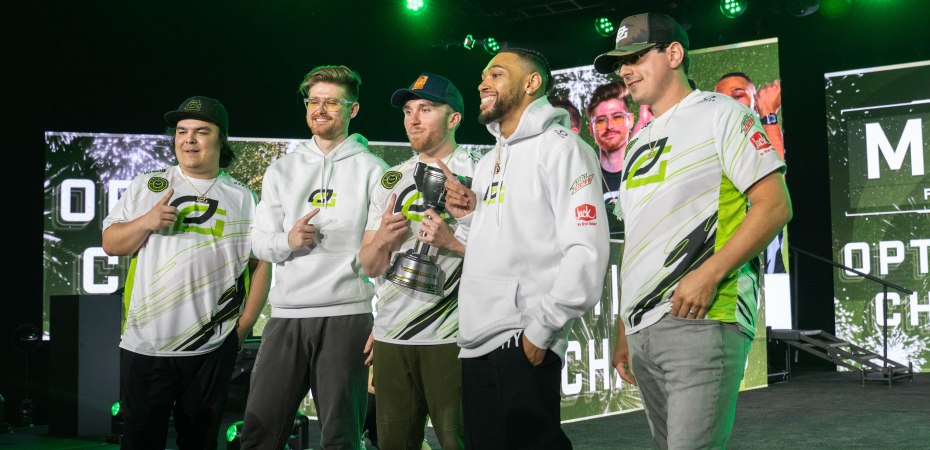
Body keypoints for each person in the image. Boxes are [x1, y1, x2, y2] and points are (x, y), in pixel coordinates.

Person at [593, 12, 791, 449]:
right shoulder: (639, 141)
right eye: (619, 62)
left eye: (636, 56)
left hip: (704, 317)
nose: (625, 70)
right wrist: (624, 325)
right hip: (644, 329)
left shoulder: (720, 113)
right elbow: (638, 238)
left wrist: (709, 273)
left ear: (674, 54)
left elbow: (775, 205)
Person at [441, 48, 609, 449]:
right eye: (483, 75)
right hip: (476, 340)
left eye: (496, 74)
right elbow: (494, 242)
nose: (483, 82)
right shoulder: (488, 161)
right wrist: (468, 217)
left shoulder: (563, 148)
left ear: (532, 83)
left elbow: (586, 250)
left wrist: (541, 331)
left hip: (523, 337)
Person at [102, 96, 271, 450]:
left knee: (200, 442)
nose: (189, 139)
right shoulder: (149, 185)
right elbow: (112, 243)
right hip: (148, 343)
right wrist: (147, 221)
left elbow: (260, 265)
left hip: (210, 346)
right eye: (181, 131)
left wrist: (244, 325)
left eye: (201, 131)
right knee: (139, 441)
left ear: (221, 139)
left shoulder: (243, 197)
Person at [242, 65, 388, 450]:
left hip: (348, 316)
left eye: (331, 102)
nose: (320, 109)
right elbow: (258, 242)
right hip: (287, 314)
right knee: (259, 430)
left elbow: (385, 254)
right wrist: (288, 241)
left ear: (352, 109)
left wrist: (384, 317)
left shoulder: (374, 170)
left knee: (341, 435)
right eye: (314, 101)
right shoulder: (282, 169)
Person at [359, 72, 477, 450]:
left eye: (426, 109)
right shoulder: (391, 179)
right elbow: (370, 265)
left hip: (453, 335)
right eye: (409, 111)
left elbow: (506, 260)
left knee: (457, 440)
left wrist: (452, 242)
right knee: (393, 443)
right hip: (392, 335)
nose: (413, 119)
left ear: (454, 118)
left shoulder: (482, 171)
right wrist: (381, 240)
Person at [715, 72, 788, 273]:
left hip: (771, 269)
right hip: (729, 270)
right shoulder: (710, 147)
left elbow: (778, 183)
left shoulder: (774, 138)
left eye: (738, 96)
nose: (730, 104)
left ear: (755, 103)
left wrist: (768, 113)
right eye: (722, 100)